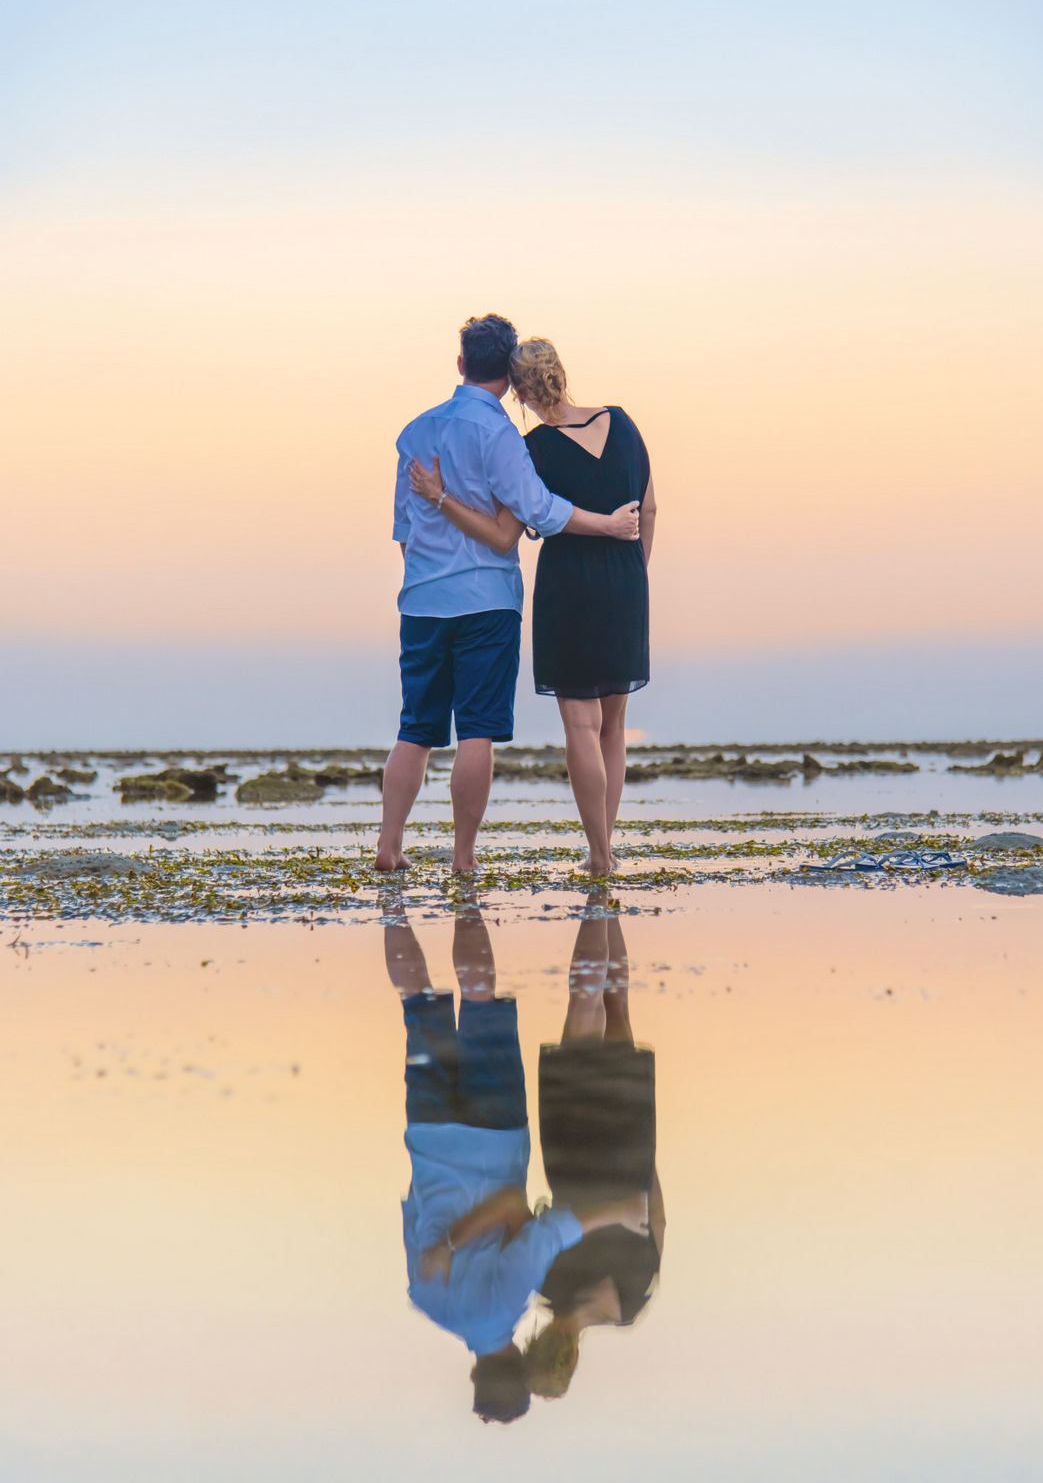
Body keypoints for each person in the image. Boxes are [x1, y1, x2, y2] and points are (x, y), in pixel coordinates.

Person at [376, 315, 640, 875]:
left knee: (414, 729)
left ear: (460, 364)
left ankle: (389, 845)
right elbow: (538, 510)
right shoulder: (500, 435)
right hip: (487, 600)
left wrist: (426, 577)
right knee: (476, 731)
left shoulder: (415, 431)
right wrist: (612, 528)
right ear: (509, 376)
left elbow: (403, 528)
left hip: (422, 599)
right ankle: (464, 859)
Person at [383, 894, 650, 1423]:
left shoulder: (507, 1304)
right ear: (474, 1376)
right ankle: (398, 896)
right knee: (416, 1001)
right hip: (429, 1131)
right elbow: (413, 1206)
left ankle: (468, 882)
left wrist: (618, 1213)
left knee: (480, 998)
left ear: (519, 1368)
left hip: (494, 1133)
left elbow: (531, 1221)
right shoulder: (424, 1297)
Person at [522, 902, 666, 1403]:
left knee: (616, 1006)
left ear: (575, 1360)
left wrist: (648, 1158)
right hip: (573, 1150)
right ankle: (599, 896)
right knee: (587, 1007)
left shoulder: (627, 1306)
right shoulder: (544, 1286)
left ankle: (606, 898)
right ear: (533, 1343)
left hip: (628, 1151)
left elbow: (659, 1224)